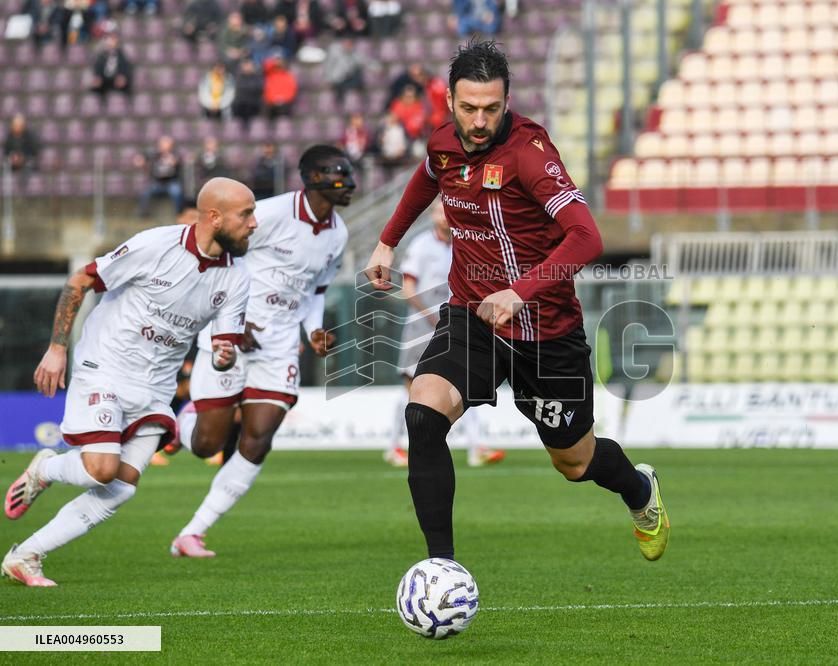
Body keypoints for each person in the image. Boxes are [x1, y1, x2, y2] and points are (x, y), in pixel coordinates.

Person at [364, 41, 669, 563]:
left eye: (491, 108)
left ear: (507, 102)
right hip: (472, 316)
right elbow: (426, 179)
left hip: (546, 332)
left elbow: (586, 237)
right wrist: (388, 240)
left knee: (575, 462)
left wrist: (520, 290)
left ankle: (639, 491)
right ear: (450, 103)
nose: (479, 121)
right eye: (468, 108)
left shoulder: (530, 153)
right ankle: (441, 567)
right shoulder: (444, 144)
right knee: (423, 413)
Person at [1, 178, 256, 586]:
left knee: (121, 487)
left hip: (156, 387)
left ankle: (26, 556)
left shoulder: (237, 277)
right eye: (246, 213)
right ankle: (48, 468)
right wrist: (57, 348)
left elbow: (224, 347)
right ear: (214, 216)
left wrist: (226, 357)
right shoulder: (156, 246)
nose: (254, 223)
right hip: (106, 365)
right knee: (102, 469)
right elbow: (80, 281)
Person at [169, 145, 354, 558]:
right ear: (312, 179)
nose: (349, 182)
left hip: (281, 345)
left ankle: (193, 533)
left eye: (350, 174)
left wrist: (315, 329)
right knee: (206, 445)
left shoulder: (339, 234)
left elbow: (315, 291)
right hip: (230, 334)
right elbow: (218, 255)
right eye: (338, 174)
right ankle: (175, 426)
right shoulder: (268, 213)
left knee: (257, 439)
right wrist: (231, 321)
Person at [385, 198, 505, 469]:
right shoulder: (421, 245)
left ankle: (476, 447)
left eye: (447, 210)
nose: (445, 215)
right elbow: (408, 289)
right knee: (412, 390)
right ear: (433, 215)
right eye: (440, 211)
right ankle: (395, 446)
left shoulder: (463, 246)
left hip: (453, 323)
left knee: (465, 384)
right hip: (421, 326)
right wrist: (431, 316)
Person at [134, 135, 185, 217]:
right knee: (146, 192)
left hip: (171, 181)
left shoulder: (175, 153)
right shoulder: (155, 154)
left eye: (166, 144)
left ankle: (179, 213)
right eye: (162, 144)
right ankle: (143, 213)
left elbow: (177, 161)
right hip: (157, 182)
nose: (164, 146)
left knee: (177, 192)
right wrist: (140, 159)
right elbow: (143, 155)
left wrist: (172, 160)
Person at [89, 33, 133, 103]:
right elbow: (97, 67)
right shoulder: (101, 56)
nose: (111, 42)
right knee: (95, 89)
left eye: (113, 40)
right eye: (109, 40)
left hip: (117, 79)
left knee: (123, 86)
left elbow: (126, 67)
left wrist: (123, 76)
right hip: (104, 80)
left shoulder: (122, 55)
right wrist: (97, 77)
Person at [232, 58, 264, 130]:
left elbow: (259, 88)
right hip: (240, 104)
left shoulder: (257, 76)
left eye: (249, 65)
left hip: (254, 104)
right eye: (245, 65)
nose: (247, 67)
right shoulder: (238, 77)